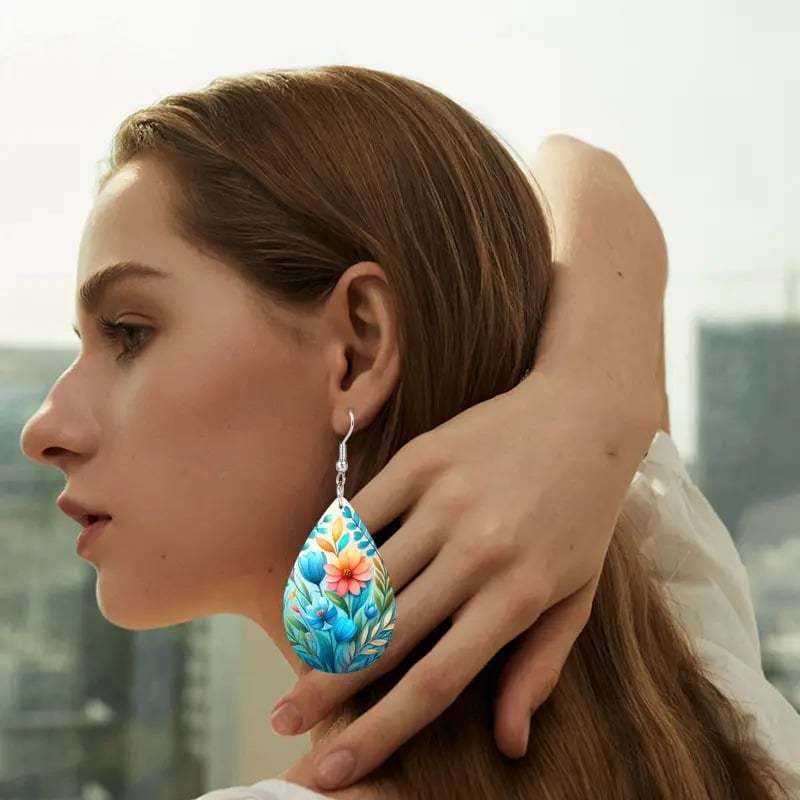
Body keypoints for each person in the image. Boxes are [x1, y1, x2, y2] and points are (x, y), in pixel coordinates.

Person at [19, 66, 799, 799]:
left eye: (129, 332)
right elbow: (583, 168)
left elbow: (579, 172)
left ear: (357, 349)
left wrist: (586, 400)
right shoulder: (706, 667)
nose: (44, 429)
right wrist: (585, 397)